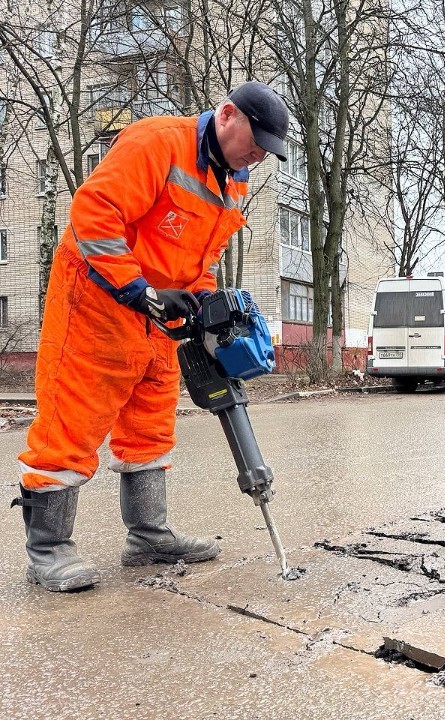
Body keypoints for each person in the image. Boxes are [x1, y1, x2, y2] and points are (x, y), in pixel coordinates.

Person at [13, 81, 290, 592]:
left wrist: (203, 305)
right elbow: (94, 214)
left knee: (150, 424)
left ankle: (148, 537)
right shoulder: (157, 142)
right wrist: (139, 290)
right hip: (97, 300)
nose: (258, 156)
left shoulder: (231, 181)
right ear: (227, 115)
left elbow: (199, 259)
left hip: (160, 316)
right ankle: (48, 549)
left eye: (265, 152)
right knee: (72, 420)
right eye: (254, 142)